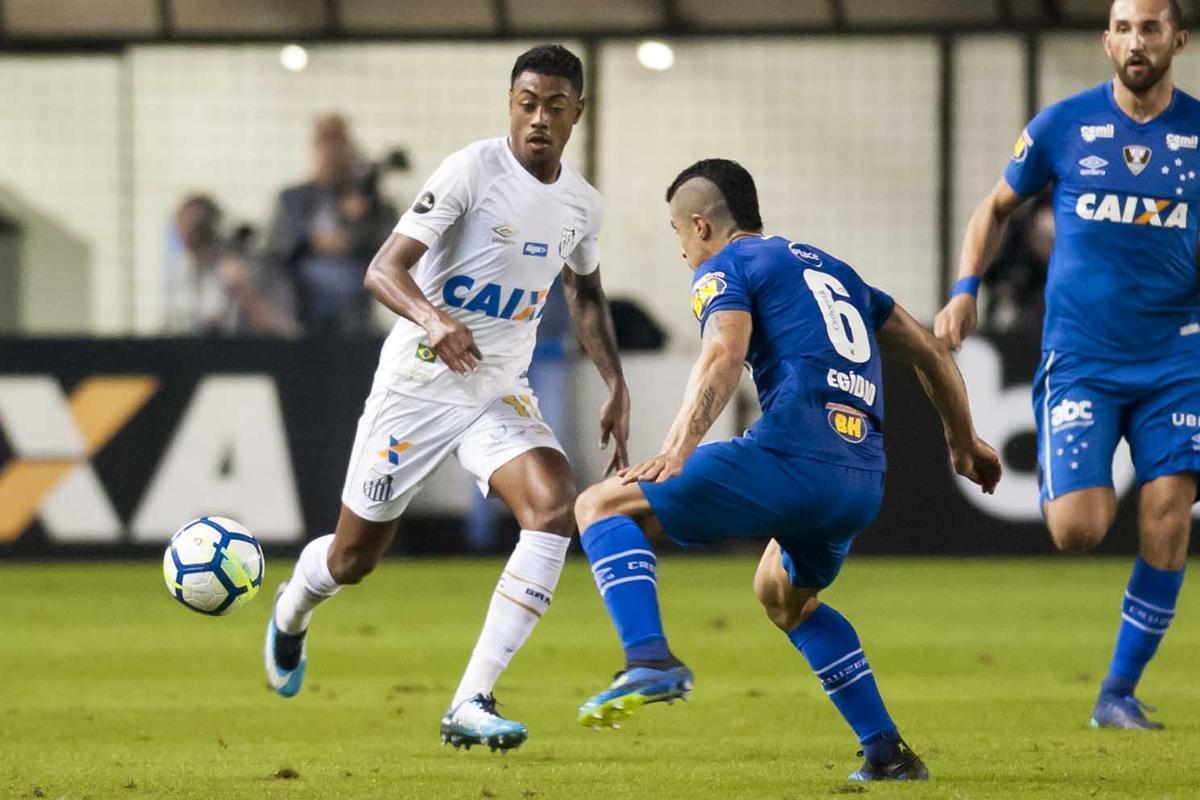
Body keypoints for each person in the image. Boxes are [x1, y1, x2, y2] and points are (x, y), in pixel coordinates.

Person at [572, 159, 1001, 781]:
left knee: (600, 505)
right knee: (784, 597)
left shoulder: (727, 267)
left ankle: (649, 659)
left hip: (791, 458)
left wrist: (678, 448)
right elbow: (932, 350)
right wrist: (963, 442)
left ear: (701, 225)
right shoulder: (832, 269)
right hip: (860, 481)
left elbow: (724, 352)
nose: (682, 251)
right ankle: (887, 754)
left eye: (677, 234)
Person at [263, 44, 631, 753]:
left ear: (577, 113)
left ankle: (470, 699)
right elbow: (383, 269)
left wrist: (615, 381)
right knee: (353, 560)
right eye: (527, 103)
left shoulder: (582, 205)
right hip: (418, 385)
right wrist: (436, 319)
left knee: (554, 506)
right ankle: (293, 607)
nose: (539, 119)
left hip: (496, 390)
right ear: (510, 104)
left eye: (556, 106)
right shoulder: (472, 169)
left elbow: (584, 292)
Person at [935, 0, 1197, 730]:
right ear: (1107, 39)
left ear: (1176, 38)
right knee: (1077, 529)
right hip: (1081, 356)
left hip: (1178, 355)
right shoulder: (1062, 126)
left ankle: (1117, 692)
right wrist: (965, 291)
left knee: (1168, 512)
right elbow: (993, 210)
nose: (1136, 41)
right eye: (1124, 27)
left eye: (1151, 27)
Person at [265, 114, 397, 335]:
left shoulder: (369, 202)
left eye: (339, 141)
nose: (333, 151)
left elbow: (391, 249)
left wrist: (364, 216)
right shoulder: (293, 198)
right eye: (326, 141)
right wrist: (314, 242)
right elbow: (276, 247)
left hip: (356, 316)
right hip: (302, 312)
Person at [165, 194, 297, 336]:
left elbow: (285, 329)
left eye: (198, 232)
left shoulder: (254, 267)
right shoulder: (185, 270)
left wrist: (245, 290)